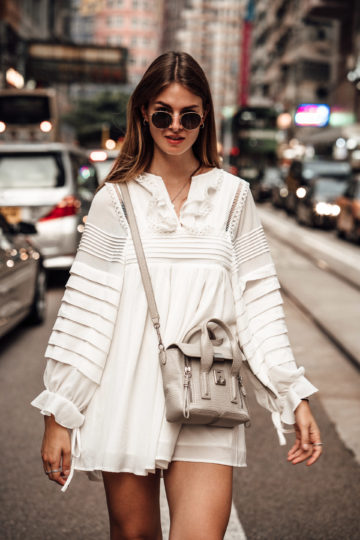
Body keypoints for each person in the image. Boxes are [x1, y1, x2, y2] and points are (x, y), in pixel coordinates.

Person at [32, 51, 322, 540]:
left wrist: (292, 394)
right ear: (144, 111)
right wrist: (59, 412)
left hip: (207, 394)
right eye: (163, 113)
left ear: (204, 117)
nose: (175, 126)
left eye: (189, 115)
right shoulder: (115, 199)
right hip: (125, 393)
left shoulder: (233, 197)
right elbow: (85, 310)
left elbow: (256, 304)